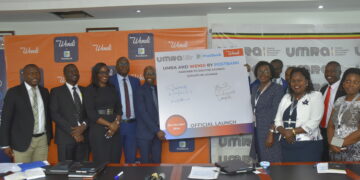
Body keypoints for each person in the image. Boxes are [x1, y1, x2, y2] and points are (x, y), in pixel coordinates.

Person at [0, 64, 52, 163]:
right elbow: (6, 120)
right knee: (23, 173)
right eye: (31, 73)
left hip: (42, 140)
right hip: (21, 142)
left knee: (40, 172)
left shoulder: (44, 92)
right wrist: (5, 144)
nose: (35, 76)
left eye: (37, 73)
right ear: (24, 76)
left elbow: (48, 116)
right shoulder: (13, 92)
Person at [275, 67, 324, 162]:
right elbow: (277, 120)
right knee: (289, 175)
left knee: (307, 175)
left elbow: (314, 122)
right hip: (286, 144)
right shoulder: (286, 97)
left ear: (306, 82)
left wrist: (292, 132)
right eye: (293, 81)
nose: (296, 84)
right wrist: (285, 132)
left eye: (299, 80)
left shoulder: (315, 96)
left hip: (308, 145)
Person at [84, 63, 122, 163]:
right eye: (101, 72)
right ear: (95, 74)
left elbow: (119, 108)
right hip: (98, 130)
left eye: (106, 72)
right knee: (101, 163)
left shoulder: (112, 88)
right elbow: (91, 113)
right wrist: (110, 125)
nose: (105, 74)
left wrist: (116, 125)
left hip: (115, 130)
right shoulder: (89, 90)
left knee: (115, 160)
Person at [50, 64, 89, 161]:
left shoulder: (86, 91)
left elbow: (90, 112)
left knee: (82, 170)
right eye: (70, 71)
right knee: (65, 171)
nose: (74, 73)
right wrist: (75, 133)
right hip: (65, 139)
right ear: (64, 75)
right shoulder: (56, 91)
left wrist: (83, 126)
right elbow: (54, 114)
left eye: (76, 71)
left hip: (84, 137)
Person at [249, 61, 284, 162]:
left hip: (270, 131)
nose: (262, 74)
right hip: (257, 129)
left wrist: (271, 133)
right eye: (260, 71)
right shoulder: (255, 88)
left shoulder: (277, 89)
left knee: (271, 160)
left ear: (271, 73)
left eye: (266, 71)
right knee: (260, 160)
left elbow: (277, 113)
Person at [109, 57, 140, 163]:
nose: (123, 66)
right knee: (114, 158)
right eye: (121, 63)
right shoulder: (109, 81)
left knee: (131, 159)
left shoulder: (136, 81)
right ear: (116, 66)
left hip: (132, 125)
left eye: (126, 63)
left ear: (129, 67)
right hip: (116, 125)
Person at [327, 68, 360, 161]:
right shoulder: (339, 100)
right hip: (335, 151)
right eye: (348, 81)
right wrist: (331, 143)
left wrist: (338, 143)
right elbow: (331, 126)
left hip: (355, 153)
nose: (351, 85)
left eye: (356, 82)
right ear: (343, 83)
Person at [136, 66, 165, 163]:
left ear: (155, 76)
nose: (150, 76)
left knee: (157, 163)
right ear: (144, 75)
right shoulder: (139, 91)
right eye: (147, 74)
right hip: (145, 134)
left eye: (152, 74)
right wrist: (156, 130)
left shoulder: (159, 89)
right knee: (145, 164)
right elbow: (143, 113)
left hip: (157, 135)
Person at [319, 61, 346, 161]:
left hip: (338, 133)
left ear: (340, 72)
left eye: (333, 71)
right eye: (326, 71)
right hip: (322, 131)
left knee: (336, 157)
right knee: (324, 157)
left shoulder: (345, 89)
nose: (329, 74)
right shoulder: (323, 89)